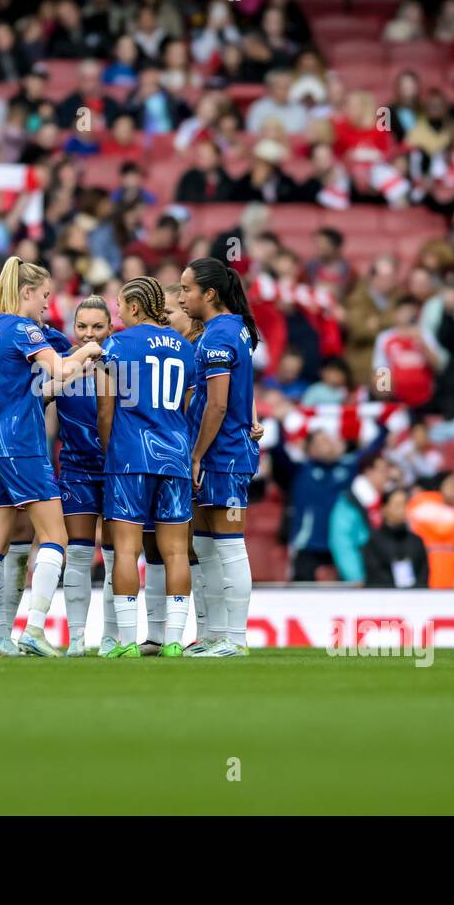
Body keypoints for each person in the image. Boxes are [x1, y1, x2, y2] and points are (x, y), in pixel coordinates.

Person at [0, 256, 101, 658]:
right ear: (26, 293)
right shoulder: (23, 328)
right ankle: (34, 629)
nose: (46, 305)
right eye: (43, 296)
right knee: (55, 536)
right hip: (19, 445)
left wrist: (75, 368)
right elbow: (57, 365)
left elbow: (48, 379)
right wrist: (88, 350)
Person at [95, 278, 195, 658]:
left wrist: (111, 448)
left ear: (135, 307)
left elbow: (106, 407)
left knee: (125, 550)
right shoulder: (186, 348)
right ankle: (173, 640)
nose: (117, 312)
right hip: (175, 454)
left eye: (120, 305)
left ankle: (124, 643)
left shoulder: (118, 344)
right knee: (175, 553)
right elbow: (185, 405)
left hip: (129, 455)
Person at [179, 258, 261, 657]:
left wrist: (195, 456)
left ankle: (236, 638)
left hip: (222, 455)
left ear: (208, 294)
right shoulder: (235, 330)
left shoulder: (216, 338)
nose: (181, 298)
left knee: (229, 545)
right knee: (206, 546)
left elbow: (217, 405)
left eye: (186, 290)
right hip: (223, 451)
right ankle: (214, 633)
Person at [52, 296, 112, 656]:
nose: (89, 335)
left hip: (119, 468)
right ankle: (76, 639)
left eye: (97, 327)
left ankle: (112, 637)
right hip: (75, 467)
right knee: (77, 553)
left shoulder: (122, 363)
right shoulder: (59, 363)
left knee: (118, 555)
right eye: (82, 327)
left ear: (110, 328)